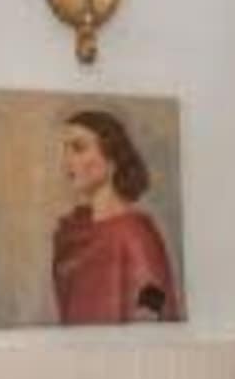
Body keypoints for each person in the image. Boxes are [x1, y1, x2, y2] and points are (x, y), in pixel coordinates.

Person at [49, 107, 182, 323]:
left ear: (112, 159)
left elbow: (154, 316)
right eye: (64, 149)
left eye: (78, 148)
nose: (66, 161)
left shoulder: (136, 235)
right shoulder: (70, 233)